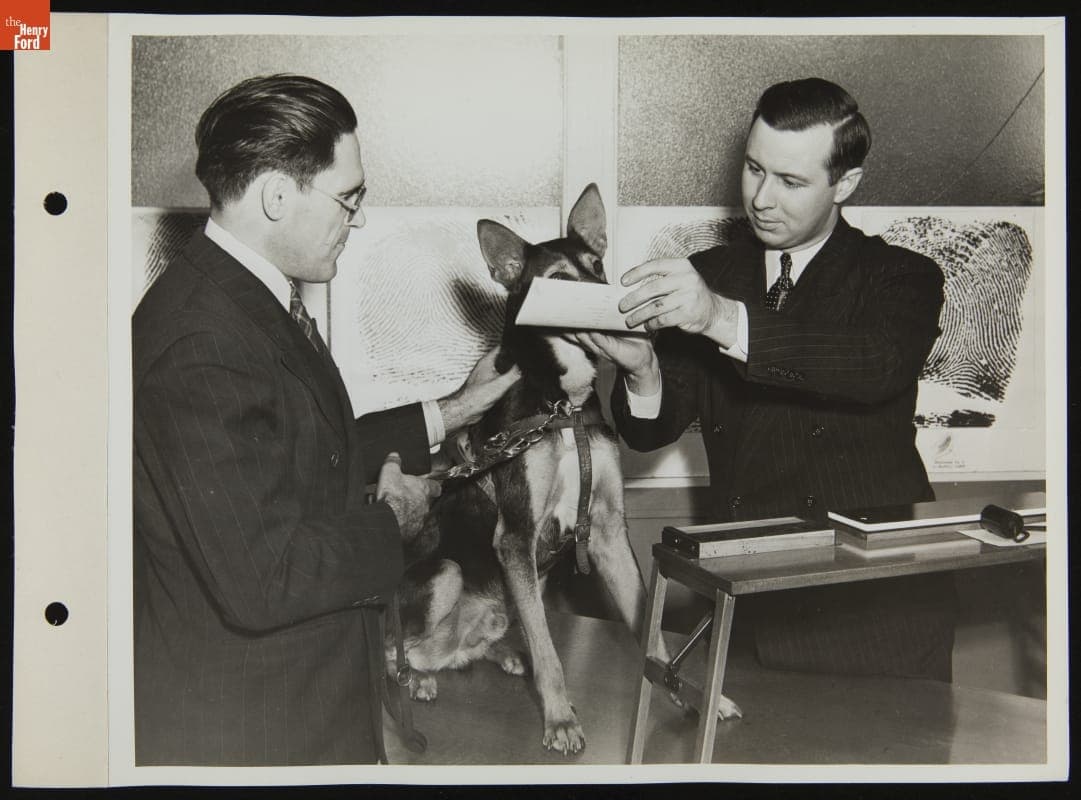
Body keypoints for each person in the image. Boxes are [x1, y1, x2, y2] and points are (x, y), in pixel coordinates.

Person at [132, 74, 518, 766]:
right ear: (277, 196)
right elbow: (263, 579)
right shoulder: (202, 343)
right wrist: (392, 525)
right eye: (349, 198)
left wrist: (452, 410)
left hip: (302, 698)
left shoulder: (235, 299)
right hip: (260, 728)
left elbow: (285, 453)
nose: (359, 219)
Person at [572, 78, 956, 681]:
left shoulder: (901, 276)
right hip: (744, 608)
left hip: (871, 618)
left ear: (845, 184)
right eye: (754, 169)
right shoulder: (713, 270)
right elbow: (651, 431)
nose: (762, 199)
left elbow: (873, 365)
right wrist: (642, 367)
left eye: (792, 181)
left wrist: (719, 317)